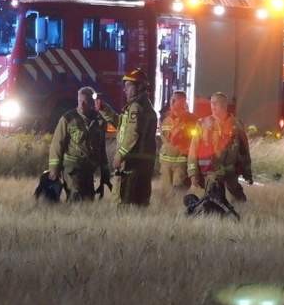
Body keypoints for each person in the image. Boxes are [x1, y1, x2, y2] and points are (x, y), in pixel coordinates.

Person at [100, 69, 158, 206]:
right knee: (140, 203)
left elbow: (133, 133)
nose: (124, 90)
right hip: (144, 162)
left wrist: (120, 154)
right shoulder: (145, 107)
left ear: (139, 87)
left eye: (128, 86)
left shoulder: (136, 108)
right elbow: (121, 124)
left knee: (121, 201)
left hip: (132, 162)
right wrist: (104, 109)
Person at [47, 87, 110, 201]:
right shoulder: (68, 118)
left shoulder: (98, 121)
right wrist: (54, 169)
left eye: (85, 102)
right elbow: (57, 144)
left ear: (92, 103)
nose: (81, 104)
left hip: (89, 169)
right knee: (75, 197)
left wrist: (105, 171)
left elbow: (102, 148)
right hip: (72, 169)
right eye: (79, 101)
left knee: (88, 200)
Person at [188, 92, 252, 203]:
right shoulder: (202, 124)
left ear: (224, 105)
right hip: (211, 172)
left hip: (231, 171)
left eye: (216, 103)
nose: (213, 106)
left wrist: (247, 173)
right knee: (212, 199)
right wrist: (193, 173)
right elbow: (193, 150)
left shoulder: (236, 124)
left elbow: (244, 150)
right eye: (211, 103)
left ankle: (241, 217)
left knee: (238, 199)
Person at [159, 91, 197, 192]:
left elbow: (195, 141)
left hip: (181, 164)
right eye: (172, 100)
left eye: (175, 100)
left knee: (179, 192)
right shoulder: (165, 118)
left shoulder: (192, 120)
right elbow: (164, 138)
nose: (171, 102)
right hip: (165, 164)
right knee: (166, 193)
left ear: (183, 102)